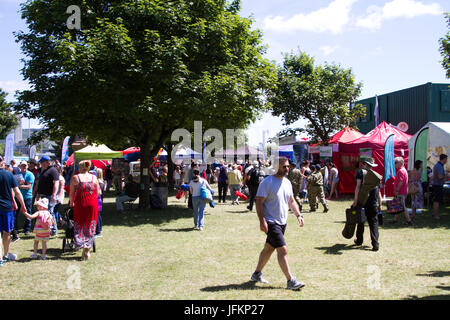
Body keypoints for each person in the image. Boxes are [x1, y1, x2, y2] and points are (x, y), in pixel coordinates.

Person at [250, 157, 305, 290]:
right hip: (271, 222)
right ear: (276, 167)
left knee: (269, 248)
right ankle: (290, 281)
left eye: (288, 166)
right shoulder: (267, 182)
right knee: (283, 249)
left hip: (282, 222)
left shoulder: (287, 182)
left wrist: (298, 215)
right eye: (284, 166)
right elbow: (258, 201)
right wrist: (262, 221)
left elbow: (291, 201)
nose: (287, 169)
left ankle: (256, 274)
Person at [69, 160, 100, 260]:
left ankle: (83, 246)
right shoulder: (94, 177)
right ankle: (88, 248)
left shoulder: (75, 178)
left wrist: (71, 202)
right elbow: (98, 192)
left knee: (80, 224)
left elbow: (71, 193)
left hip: (80, 204)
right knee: (91, 225)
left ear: (80, 167)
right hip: (92, 204)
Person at [0, 155, 28, 264]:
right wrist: (23, 205)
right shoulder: (9, 175)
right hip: (7, 207)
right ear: (2, 163)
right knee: (7, 232)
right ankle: (6, 255)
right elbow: (17, 192)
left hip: (7, 206)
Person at [352, 158, 382, 251]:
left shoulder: (360, 173)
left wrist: (355, 200)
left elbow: (357, 187)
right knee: (373, 223)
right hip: (373, 201)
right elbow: (378, 192)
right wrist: (380, 203)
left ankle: (359, 241)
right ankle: (375, 244)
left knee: (360, 221)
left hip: (362, 201)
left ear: (364, 164)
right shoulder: (376, 176)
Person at [35, 156, 60, 236]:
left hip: (50, 195)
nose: (41, 164)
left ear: (47, 162)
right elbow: (40, 183)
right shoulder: (43, 170)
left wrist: (54, 194)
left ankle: (53, 230)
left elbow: (56, 183)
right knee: (45, 213)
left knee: (50, 212)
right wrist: (38, 194)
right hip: (43, 196)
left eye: (42, 162)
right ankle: (47, 228)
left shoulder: (53, 170)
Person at [392, 157, 413, 226]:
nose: (394, 164)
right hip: (403, 191)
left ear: (400, 163)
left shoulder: (401, 171)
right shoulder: (403, 170)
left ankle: (409, 220)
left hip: (401, 192)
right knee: (398, 206)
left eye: (395, 163)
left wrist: (397, 190)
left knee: (402, 206)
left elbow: (401, 182)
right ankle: (395, 220)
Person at [17, 160, 35, 236]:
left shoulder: (30, 175)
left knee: (27, 213)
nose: (24, 167)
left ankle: (27, 229)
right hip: (17, 196)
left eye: (25, 165)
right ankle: (15, 229)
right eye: (22, 165)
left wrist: (19, 186)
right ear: (20, 166)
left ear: (27, 166)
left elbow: (28, 187)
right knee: (15, 213)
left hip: (27, 197)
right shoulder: (18, 174)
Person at [432, 154, 448, 220]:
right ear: (443, 159)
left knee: (436, 200)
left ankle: (434, 213)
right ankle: (436, 215)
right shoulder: (439, 166)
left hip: (436, 185)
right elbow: (440, 176)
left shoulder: (439, 165)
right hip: (437, 185)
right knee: (437, 201)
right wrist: (446, 175)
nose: (446, 160)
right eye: (446, 159)